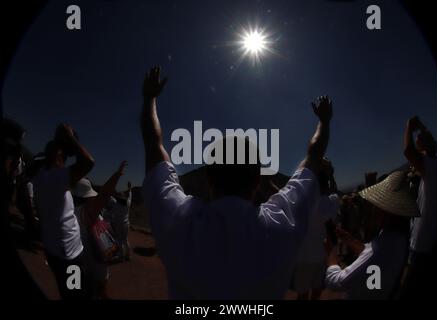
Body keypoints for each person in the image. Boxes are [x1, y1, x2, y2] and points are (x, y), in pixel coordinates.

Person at [140, 66, 333, 299]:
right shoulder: (283, 222)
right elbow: (314, 157)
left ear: (208, 177)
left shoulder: (179, 221)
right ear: (258, 180)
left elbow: (153, 144)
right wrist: (324, 121)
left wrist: (149, 98)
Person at [324, 171, 418, 299]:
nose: (372, 209)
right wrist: (350, 240)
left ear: (385, 211)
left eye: (376, 204)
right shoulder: (397, 237)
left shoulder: (381, 249)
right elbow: (373, 262)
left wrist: (331, 254)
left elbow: (336, 282)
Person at [33, 124, 95, 300]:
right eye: (64, 155)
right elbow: (88, 162)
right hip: (69, 256)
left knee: (69, 291)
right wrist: (70, 138)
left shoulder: (40, 177)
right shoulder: (56, 177)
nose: (66, 159)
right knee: (77, 295)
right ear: (58, 156)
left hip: (56, 251)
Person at [401, 116, 437, 298]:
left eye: (421, 137)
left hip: (423, 242)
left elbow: (408, 150)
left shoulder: (433, 166)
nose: (418, 137)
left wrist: (409, 127)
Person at [73, 161, 127, 299]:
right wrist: (117, 175)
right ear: (85, 198)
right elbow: (104, 194)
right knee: (102, 291)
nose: (94, 198)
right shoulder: (89, 211)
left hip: (82, 258)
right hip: (96, 260)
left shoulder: (73, 211)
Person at [293, 158, 339, 300]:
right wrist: (330, 174)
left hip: (302, 257)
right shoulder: (328, 203)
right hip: (320, 257)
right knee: (317, 292)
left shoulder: (298, 201)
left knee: (302, 295)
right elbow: (335, 193)